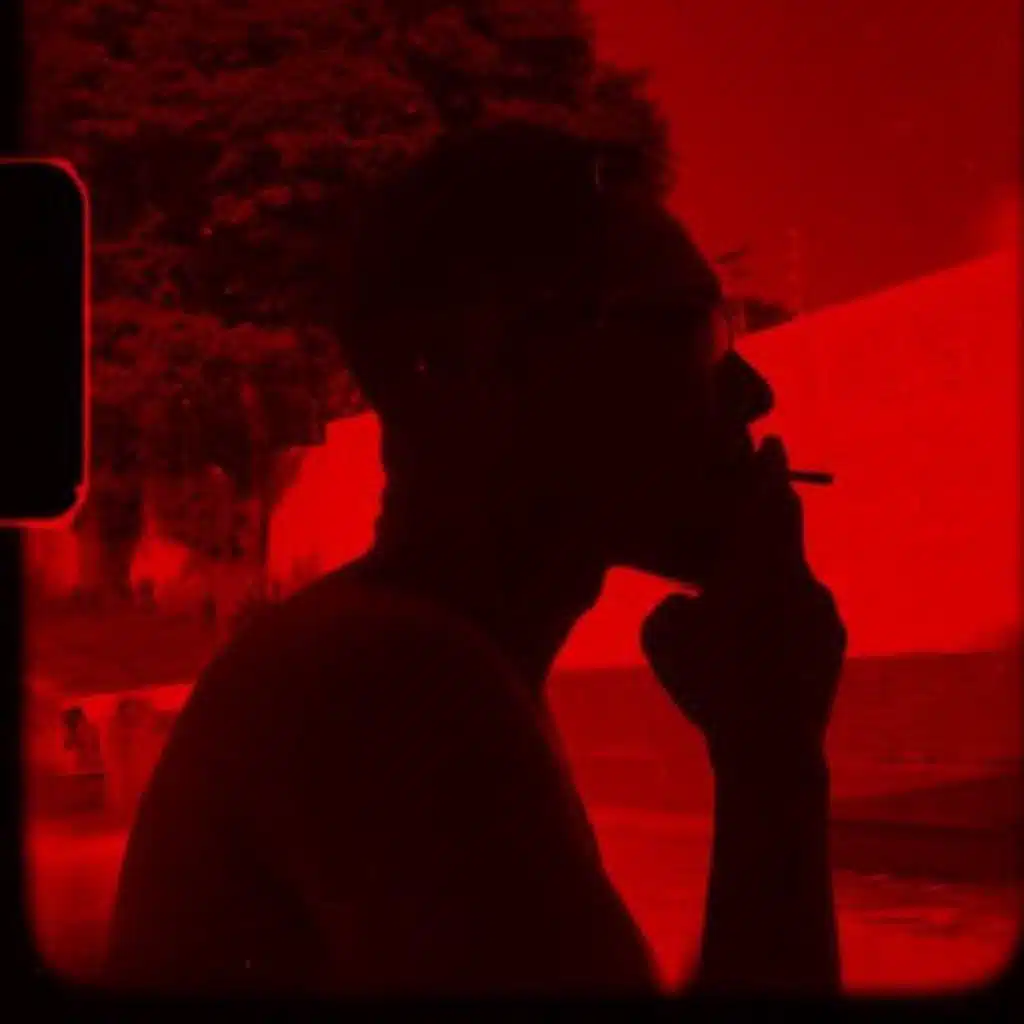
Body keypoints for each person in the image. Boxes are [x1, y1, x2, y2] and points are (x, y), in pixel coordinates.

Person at [105, 122, 846, 997]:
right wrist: (772, 752)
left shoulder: (409, 661)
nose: (753, 392)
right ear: (478, 364)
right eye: (688, 331)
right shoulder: (390, 680)